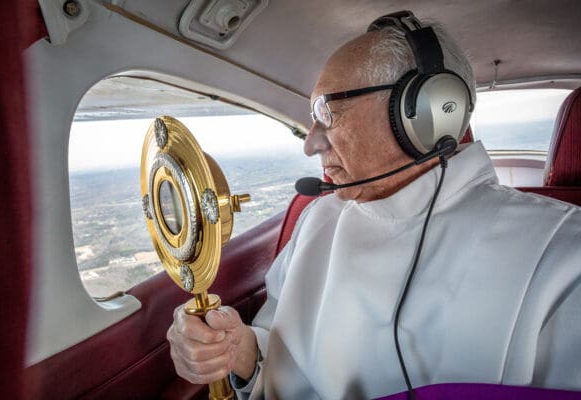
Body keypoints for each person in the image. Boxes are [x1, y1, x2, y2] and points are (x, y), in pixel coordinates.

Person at [167, 12, 581, 400]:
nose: (311, 142)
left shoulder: (563, 256)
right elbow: (274, 354)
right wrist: (236, 348)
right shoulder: (317, 219)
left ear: (423, 113)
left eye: (327, 112)